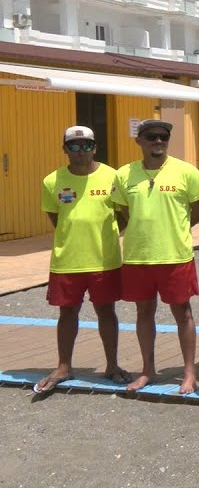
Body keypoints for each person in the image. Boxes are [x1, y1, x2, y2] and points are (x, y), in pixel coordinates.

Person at [111, 119, 199, 394]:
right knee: (143, 312)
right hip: (138, 257)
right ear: (138, 141)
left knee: (182, 313)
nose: (158, 142)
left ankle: (189, 373)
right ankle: (147, 371)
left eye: (163, 137)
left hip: (175, 256)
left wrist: (174, 229)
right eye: (151, 137)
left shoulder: (186, 172)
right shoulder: (124, 174)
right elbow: (123, 212)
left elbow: (198, 210)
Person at [34, 126, 129, 394]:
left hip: (104, 260)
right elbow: (57, 219)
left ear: (95, 147)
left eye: (86, 145)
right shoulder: (52, 180)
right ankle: (64, 366)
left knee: (106, 312)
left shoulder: (112, 176)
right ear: (64, 149)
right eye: (74, 146)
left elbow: (122, 215)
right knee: (67, 313)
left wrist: (107, 236)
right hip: (67, 262)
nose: (81, 151)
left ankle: (112, 365)